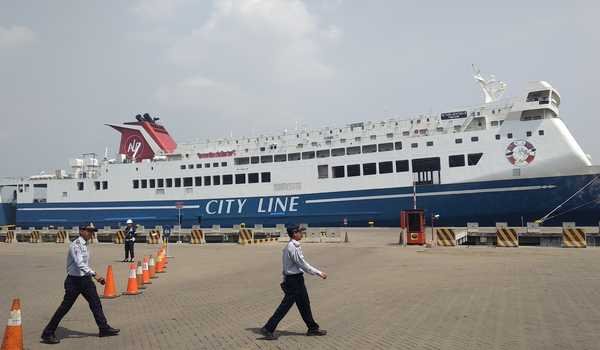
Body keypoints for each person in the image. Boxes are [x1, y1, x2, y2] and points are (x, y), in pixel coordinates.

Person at [41, 222, 120, 344]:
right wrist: (95, 275)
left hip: (85, 280)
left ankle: (103, 328)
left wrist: (90, 275)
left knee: (96, 303)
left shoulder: (85, 244)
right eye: (89, 231)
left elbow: (84, 264)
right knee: (64, 308)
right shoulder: (76, 245)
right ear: (81, 231)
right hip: (74, 281)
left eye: (92, 231)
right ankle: (47, 333)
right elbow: (79, 263)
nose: (91, 233)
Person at [261, 225, 328, 340]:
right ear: (294, 233)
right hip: (294, 281)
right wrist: (318, 273)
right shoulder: (292, 247)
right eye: (300, 232)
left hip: (296, 279)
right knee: (285, 306)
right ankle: (268, 328)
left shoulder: (294, 246)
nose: (302, 234)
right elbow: (302, 264)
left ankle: (312, 328)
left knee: (304, 304)